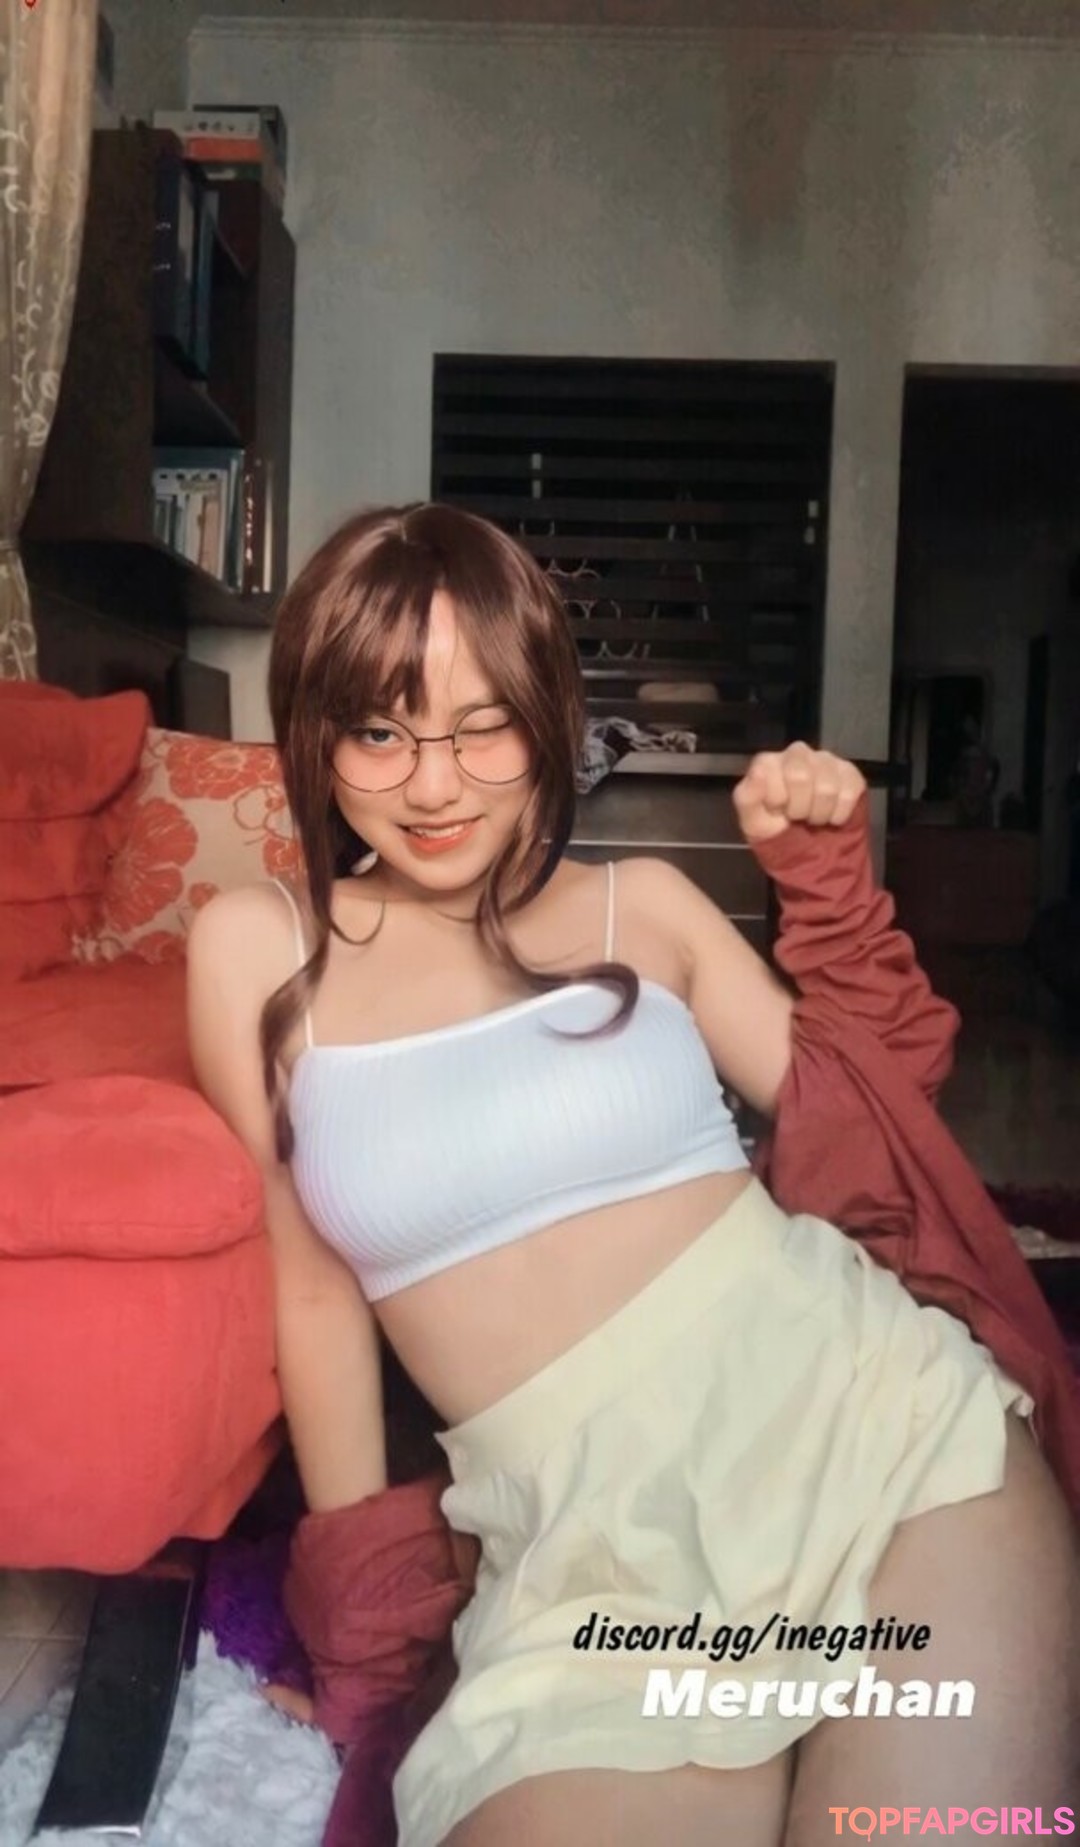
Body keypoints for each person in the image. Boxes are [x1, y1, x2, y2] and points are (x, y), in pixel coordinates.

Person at [187, 504, 1079, 1847]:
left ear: (547, 717)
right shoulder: (259, 952)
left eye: (483, 726)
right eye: (380, 731)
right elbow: (311, 1292)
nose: (433, 787)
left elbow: (878, 1118)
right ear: (314, 736)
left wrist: (824, 880)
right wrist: (366, 1648)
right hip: (587, 1576)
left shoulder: (642, 906)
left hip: (873, 1440)